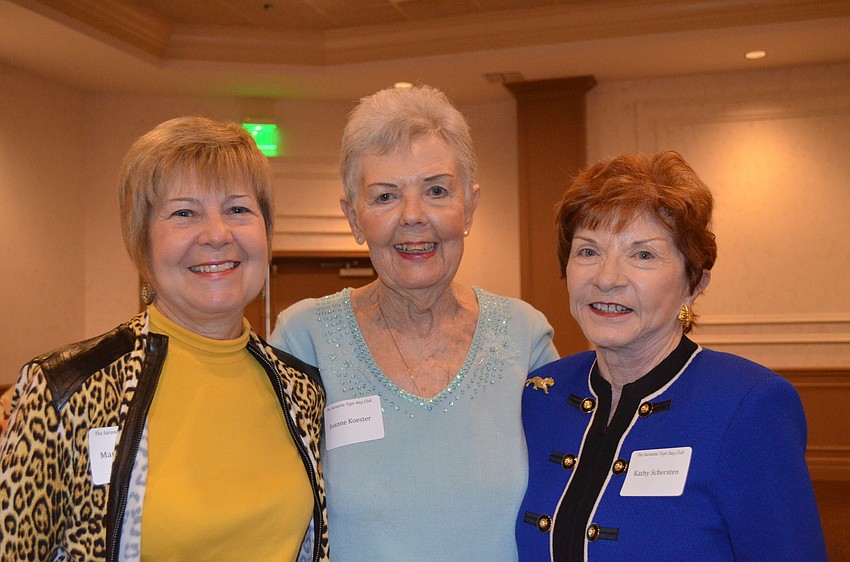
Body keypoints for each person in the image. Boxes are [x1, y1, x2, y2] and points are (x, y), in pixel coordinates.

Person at [0, 116, 329, 561]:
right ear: (143, 242)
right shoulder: (67, 389)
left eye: (237, 209)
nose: (216, 234)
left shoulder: (301, 391)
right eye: (184, 213)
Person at [271, 85, 559, 560]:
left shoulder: (524, 336)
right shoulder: (306, 339)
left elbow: (565, 502)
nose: (412, 217)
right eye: (385, 196)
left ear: (469, 206)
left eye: (436, 191)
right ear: (354, 217)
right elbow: (276, 513)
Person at [515, 151, 826, 560]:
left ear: (694, 282)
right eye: (588, 251)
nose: (607, 278)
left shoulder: (748, 405)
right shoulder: (542, 396)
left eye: (643, 255)